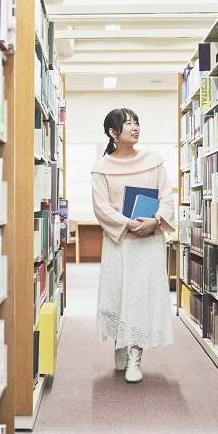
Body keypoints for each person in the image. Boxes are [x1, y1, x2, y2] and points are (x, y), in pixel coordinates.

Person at [90, 107, 175, 383]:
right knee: (119, 293)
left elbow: (167, 197)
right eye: (128, 124)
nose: (135, 128)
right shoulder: (102, 168)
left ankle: (136, 358)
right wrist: (129, 224)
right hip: (119, 243)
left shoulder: (154, 161)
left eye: (137, 122)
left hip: (149, 243)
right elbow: (101, 208)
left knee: (142, 298)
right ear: (113, 133)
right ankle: (119, 344)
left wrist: (155, 220)